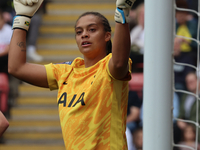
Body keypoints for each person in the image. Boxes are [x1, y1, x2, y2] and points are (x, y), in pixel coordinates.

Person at [9, 0, 135, 149]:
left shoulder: (110, 66)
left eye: (92, 30)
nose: (84, 35)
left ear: (107, 36)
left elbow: (119, 63)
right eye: (79, 32)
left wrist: (122, 10)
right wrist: (22, 18)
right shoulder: (67, 71)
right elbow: (16, 68)